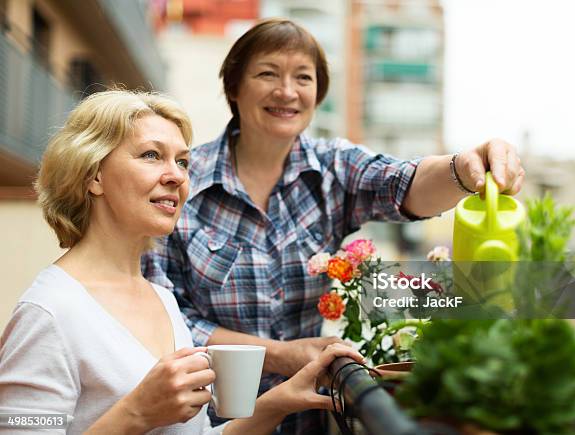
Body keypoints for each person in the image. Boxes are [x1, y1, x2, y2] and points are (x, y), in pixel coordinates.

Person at [143, 18, 525, 434]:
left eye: (303, 78)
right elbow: (165, 318)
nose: (287, 91)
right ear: (234, 87)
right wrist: (281, 355)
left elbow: (404, 184)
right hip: (210, 422)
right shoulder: (182, 180)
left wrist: (462, 170)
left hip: (305, 421)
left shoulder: (333, 168)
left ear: (318, 95)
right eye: (267, 73)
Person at [0, 90, 365, 435]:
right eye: (150, 155)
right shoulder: (49, 313)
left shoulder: (163, 299)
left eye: (183, 161)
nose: (177, 176)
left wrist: (279, 403)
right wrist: (135, 413)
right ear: (93, 175)